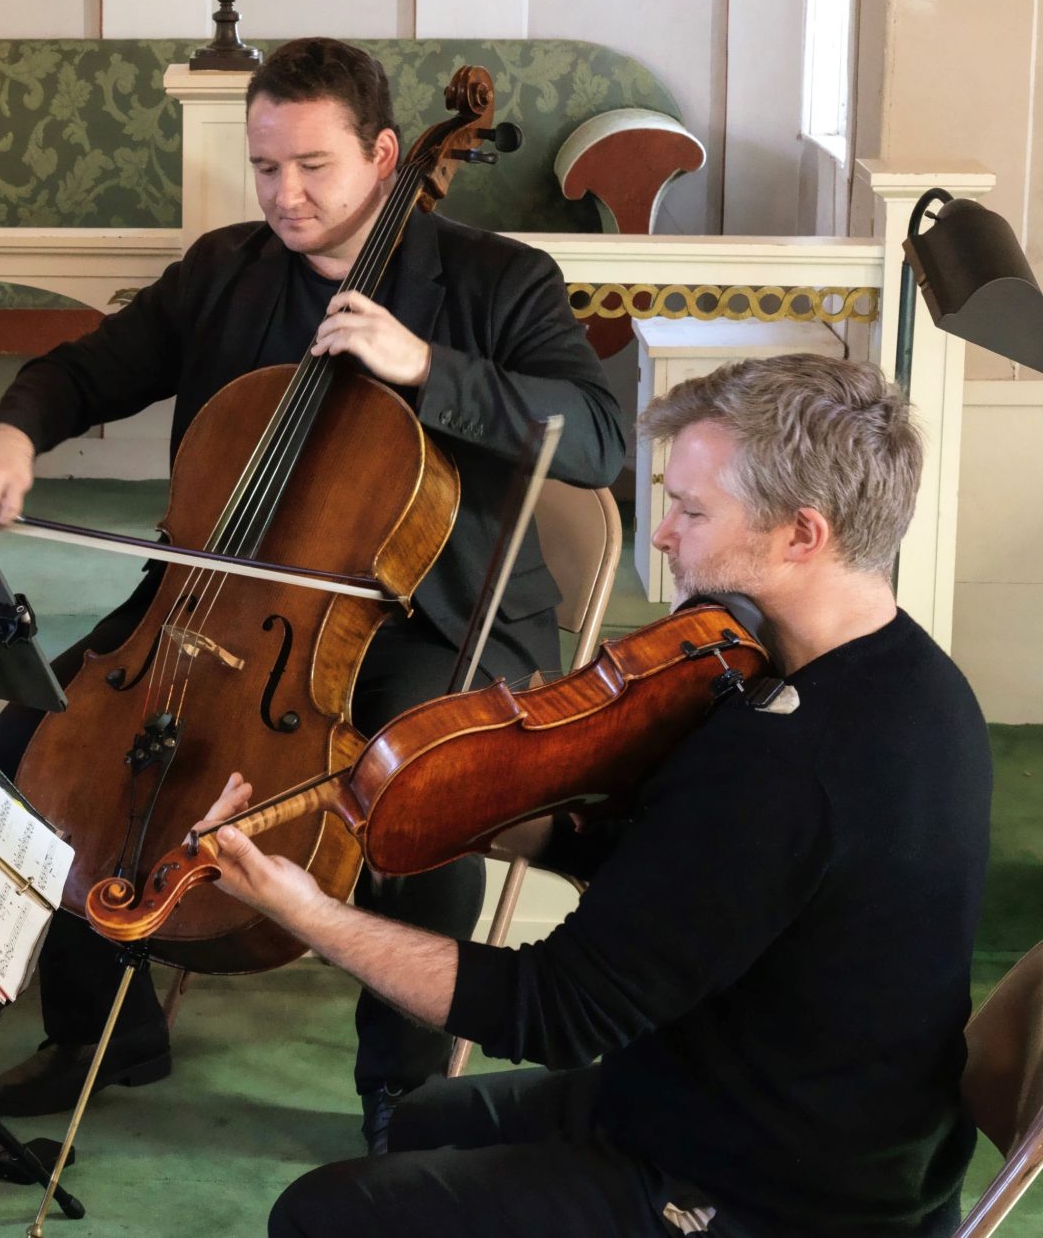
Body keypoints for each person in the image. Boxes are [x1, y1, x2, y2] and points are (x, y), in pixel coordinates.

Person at [0, 38, 623, 1143]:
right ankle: (101, 1034)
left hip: (433, 612)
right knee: (44, 728)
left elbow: (593, 437)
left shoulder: (500, 282)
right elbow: (80, 368)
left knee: (425, 765)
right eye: (266, 168)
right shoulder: (223, 272)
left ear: (387, 154)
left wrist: (425, 368)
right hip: (224, 602)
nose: (286, 195)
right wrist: (15, 434)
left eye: (311, 166)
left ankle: (400, 1087)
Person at [232, 354, 988, 1237]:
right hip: (753, 1098)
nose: (662, 534)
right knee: (423, 1118)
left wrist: (308, 912)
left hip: (774, 1194)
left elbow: (550, 1008)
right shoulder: (911, 679)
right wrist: (485, 797)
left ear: (802, 534)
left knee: (322, 1214)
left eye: (692, 510)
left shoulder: (791, 762)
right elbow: (686, 875)